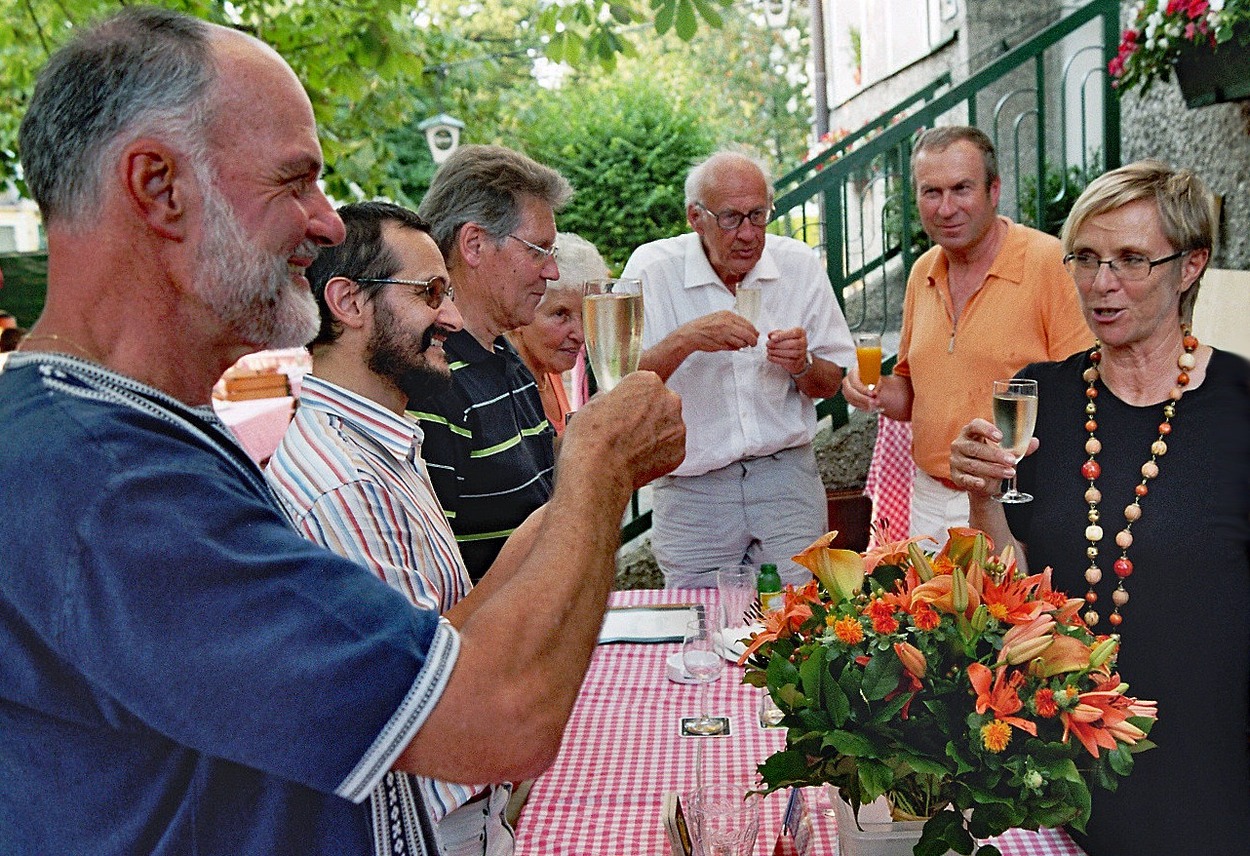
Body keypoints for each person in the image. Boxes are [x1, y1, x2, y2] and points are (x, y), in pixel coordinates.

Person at [0, 8, 685, 856]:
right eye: (295, 182)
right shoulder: (106, 478)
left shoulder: (111, 438)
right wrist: (600, 463)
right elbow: (499, 721)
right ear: (156, 187)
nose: (327, 224)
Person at [948, 160, 1250, 856]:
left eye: (1131, 260)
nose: (1100, 283)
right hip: (1067, 769)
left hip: (1212, 773)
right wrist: (983, 501)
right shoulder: (1037, 397)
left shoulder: (1238, 400)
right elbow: (1009, 591)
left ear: (1190, 265)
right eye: (1085, 257)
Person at [264, 201, 516, 855]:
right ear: (348, 302)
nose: (454, 320)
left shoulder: (377, 441)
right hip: (429, 829)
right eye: (431, 293)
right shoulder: (343, 480)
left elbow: (445, 630)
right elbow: (424, 701)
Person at [841, 126, 1092, 546]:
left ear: (994, 190)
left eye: (961, 189)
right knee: (922, 612)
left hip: (1017, 498)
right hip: (929, 498)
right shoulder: (922, 272)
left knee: (1011, 612)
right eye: (931, 192)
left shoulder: (1049, 261)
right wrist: (872, 391)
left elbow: (1087, 388)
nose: (945, 208)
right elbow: (911, 396)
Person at [623, 150, 855, 587]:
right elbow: (624, 383)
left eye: (758, 215)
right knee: (699, 624)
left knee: (804, 625)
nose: (748, 233)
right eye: (731, 218)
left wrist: (802, 364)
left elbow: (831, 381)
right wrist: (687, 340)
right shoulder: (653, 270)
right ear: (696, 217)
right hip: (693, 490)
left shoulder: (798, 265)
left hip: (786, 478)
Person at [408, 145, 570, 582]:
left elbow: (539, 500)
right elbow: (437, 584)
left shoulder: (503, 355)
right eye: (538, 250)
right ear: (474, 244)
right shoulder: (433, 379)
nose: (552, 272)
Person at [505, 232, 607, 436]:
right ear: (519, 311)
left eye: (587, 315)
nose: (580, 335)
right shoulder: (504, 395)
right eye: (561, 314)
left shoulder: (547, 372)